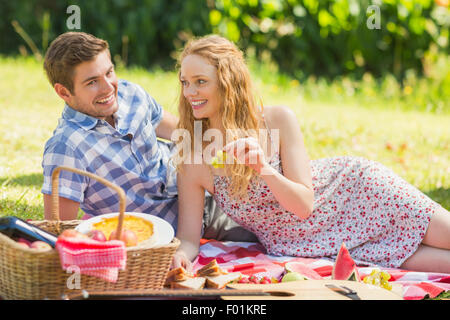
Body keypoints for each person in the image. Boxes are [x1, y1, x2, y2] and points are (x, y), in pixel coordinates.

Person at [171, 34, 450, 273]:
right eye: (185, 82)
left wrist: (262, 168)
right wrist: (180, 257)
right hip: (306, 245)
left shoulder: (276, 120)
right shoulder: (193, 157)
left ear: (227, 82)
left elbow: (304, 205)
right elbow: (188, 238)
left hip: (356, 193)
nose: (189, 92)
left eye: (200, 81)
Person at [41, 31, 258, 242]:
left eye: (109, 73)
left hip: (209, 184)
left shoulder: (129, 94)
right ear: (64, 92)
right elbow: (61, 234)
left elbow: (185, 134)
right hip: (188, 224)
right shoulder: (67, 147)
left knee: (278, 194)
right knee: (272, 233)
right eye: (92, 82)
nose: (109, 88)